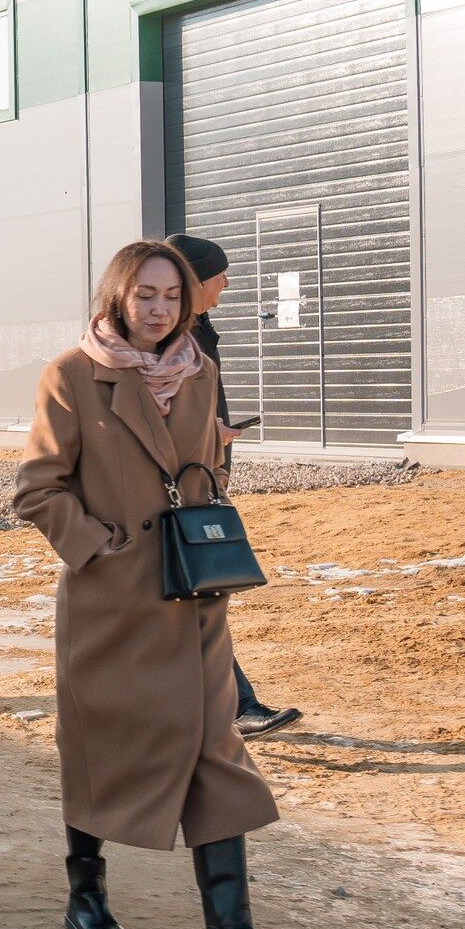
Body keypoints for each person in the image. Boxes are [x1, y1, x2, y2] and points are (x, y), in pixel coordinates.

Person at [12, 240, 304, 929]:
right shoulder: (72, 375)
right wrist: (101, 548)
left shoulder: (199, 372)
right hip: (112, 605)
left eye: (172, 296)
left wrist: (209, 520)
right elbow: (38, 488)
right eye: (145, 294)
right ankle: (86, 895)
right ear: (118, 295)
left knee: (216, 750)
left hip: (192, 596)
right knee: (101, 749)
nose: (159, 309)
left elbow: (210, 469)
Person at [168, 232, 302, 739]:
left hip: (200, 478)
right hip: (177, 487)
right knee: (197, 599)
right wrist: (208, 433)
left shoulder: (198, 328)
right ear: (197, 280)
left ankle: (220, 709)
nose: (226, 285)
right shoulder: (171, 337)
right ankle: (236, 707)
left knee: (193, 602)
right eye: (219, 276)